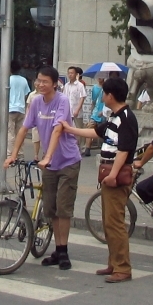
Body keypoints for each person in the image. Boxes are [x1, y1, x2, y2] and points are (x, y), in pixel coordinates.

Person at [57, 77, 138, 283]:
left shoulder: (126, 118)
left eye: (104, 93)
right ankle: (114, 263)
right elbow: (95, 132)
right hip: (109, 173)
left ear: (110, 96)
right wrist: (70, 129)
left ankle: (122, 268)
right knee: (108, 222)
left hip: (116, 176)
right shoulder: (114, 117)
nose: (102, 96)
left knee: (115, 223)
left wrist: (112, 175)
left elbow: (124, 150)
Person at [4, 66, 81, 270]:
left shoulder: (62, 101)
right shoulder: (36, 101)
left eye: (45, 81)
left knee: (63, 208)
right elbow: (24, 129)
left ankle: (63, 251)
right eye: (38, 80)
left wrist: (47, 156)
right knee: (51, 208)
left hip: (67, 161)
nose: (40, 84)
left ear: (55, 83)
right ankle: (57, 248)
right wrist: (13, 154)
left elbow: (58, 129)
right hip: (50, 165)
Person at [6, 61, 30, 156]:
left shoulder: (8, 80)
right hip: (21, 108)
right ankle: (20, 153)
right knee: (20, 132)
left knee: (10, 133)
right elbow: (26, 94)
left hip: (11, 108)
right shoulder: (24, 80)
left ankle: (10, 153)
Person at [64, 66, 88, 155]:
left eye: (72, 73)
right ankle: (70, 148)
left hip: (77, 112)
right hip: (68, 112)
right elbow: (64, 98)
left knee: (78, 130)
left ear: (76, 74)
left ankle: (80, 148)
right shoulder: (66, 85)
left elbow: (82, 97)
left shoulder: (80, 85)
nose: (70, 75)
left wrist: (77, 109)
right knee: (69, 130)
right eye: (69, 73)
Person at [83, 77, 106, 157]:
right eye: (98, 77)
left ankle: (104, 149)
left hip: (104, 114)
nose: (100, 78)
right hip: (95, 113)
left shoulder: (107, 88)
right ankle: (87, 149)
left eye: (102, 77)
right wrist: (91, 112)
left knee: (104, 133)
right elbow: (93, 101)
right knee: (90, 129)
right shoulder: (95, 88)